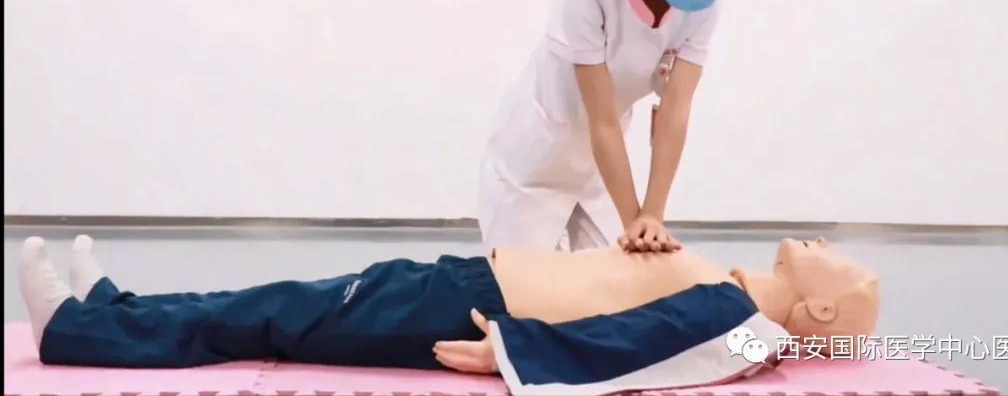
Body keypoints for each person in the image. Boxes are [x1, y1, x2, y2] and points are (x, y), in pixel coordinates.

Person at [19, 235, 877, 396]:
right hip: (473, 280)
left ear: (821, 306)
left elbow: (643, 350)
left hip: (479, 308)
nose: (832, 245)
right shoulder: (732, 296)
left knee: (278, 313)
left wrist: (515, 350)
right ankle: (113, 310)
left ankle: (75, 332)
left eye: (846, 264)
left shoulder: (742, 322)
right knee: (281, 303)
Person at [478, 0, 761, 252]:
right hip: (535, 162)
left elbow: (675, 111)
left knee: (625, 275)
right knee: (525, 283)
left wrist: (651, 216)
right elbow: (603, 119)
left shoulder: (701, 8)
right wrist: (633, 223)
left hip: (602, 169)